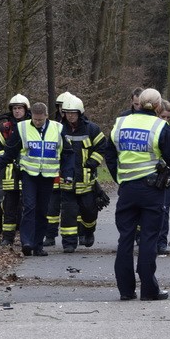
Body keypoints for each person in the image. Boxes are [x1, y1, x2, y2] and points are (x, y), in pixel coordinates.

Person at [104, 88, 170, 301]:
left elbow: (108, 153)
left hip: (127, 190)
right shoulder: (160, 127)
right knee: (148, 238)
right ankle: (149, 289)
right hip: (151, 191)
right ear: (158, 106)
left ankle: (126, 290)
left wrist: (119, 177)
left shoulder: (120, 124)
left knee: (125, 239)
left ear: (138, 104)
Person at [0, 101, 63, 256]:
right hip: (29, 175)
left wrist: (69, 172)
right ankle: (27, 242)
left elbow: (66, 152)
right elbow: (10, 149)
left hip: (47, 176)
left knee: (42, 210)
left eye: (40, 120)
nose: (37, 122)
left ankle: (38, 245)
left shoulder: (57, 129)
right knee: (29, 207)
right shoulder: (23, 127)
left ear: (46, 116)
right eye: (35, 120)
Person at [57, 93, 107, 252]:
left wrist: (93, 162)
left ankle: (88, 231)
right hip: (67, 180)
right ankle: (69, 243)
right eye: (67, 113)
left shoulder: (91, 129)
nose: (70, 116)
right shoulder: (59, 129)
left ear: (80, 113)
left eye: (73, 113)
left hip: (86, 180)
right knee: (68, 213)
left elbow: (102, 146)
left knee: (89, 211)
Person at [0, 94, 31, 246]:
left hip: (27, 173)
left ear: (25, 109)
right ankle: (7, 238)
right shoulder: (6, 127)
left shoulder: (30, 126)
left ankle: (26, 238)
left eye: (20, 108)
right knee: (9, 208)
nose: (17, 111)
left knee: (27, 208)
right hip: (10, 176)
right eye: (14, 108)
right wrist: (7, 159)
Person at [42, 92, 68, 248]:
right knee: (51, 209)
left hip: (68, 173)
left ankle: (71, 238)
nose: (62, 111)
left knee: (70, 209)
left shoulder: (76, 126)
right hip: (53, 173)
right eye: (60, 107)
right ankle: (50, 236)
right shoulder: (52, 125)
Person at [153, 99, 170, 255]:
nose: (166, 120)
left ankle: (161, 242)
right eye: (163, 117)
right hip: (152, 175)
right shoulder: (152, 131)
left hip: (168, 176)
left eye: (168, 117)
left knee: (165, 209)